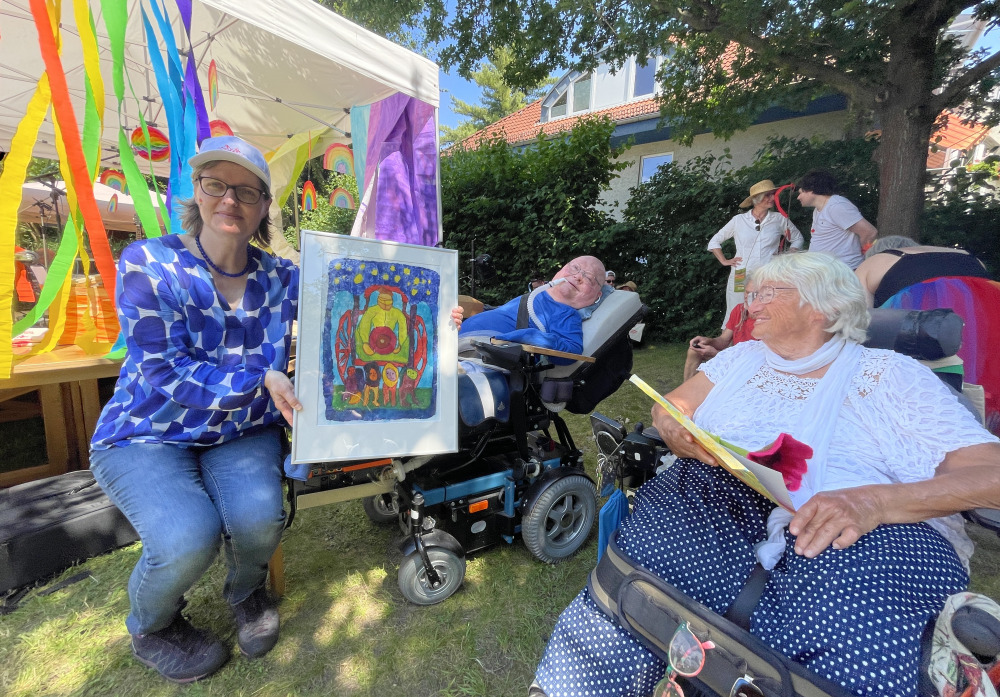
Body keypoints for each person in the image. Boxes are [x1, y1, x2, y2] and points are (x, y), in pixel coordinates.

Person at [533, 252, 1000, 697]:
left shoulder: (890, 374)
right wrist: (672, 425)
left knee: (849, 644)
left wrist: (873, 502)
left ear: (827, 304)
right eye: (749, 294)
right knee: (633, 594)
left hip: (863, 524)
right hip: (720, 497)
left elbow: (991, 474)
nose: (747, 305)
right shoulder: (740, 359)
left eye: (765, 293)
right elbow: (674, 405)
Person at [90, 136, 465, 683]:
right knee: (185, 537)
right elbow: (162, 373)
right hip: (148, 431)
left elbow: (359, 303)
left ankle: (246, 593)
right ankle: (152, 626)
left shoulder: (286, 278)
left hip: (242, 430)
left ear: (265, 205)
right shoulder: (149, 262)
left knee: (259, 520)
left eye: (246, 191)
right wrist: (260, 379)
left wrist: (433, 319)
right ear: (196, 192)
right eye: (215, 185)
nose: (229, 200)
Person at [854, 235, 998, 433]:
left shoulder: (874, 262)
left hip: (925, 317)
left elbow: (859, 322)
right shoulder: (971, 258)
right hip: (986, 318)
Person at [459, 256, 606, 356]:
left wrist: (533, 337)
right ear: (560, 270)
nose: (578, 276)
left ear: (596, 296)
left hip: (482, 354)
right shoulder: (534, 296)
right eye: (575, 268)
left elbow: (572, 349)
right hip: (455, 344)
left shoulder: (567, 314)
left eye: (589, 278)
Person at [708, 179, 803, 327]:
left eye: (773, 194)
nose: (773, 198)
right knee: (736, 307)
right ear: (756, 199)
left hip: (768, 273)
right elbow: (714, 242)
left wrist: (787, 255)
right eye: (768, 195)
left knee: (767, 307)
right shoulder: (739, 220)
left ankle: (763, 343)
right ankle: (730, 344)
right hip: (740, 272)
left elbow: (797, 239)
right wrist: (724, 260)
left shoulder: (779, 219)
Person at [796, 170, 877, 269]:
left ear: (811, 190)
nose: (798, 197)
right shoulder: (819, 209)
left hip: (844, 271)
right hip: (828, 271)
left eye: (801, 192)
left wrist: (860, 256)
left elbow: (869, 232)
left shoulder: (837, 206)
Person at [683, 285, 756, 381]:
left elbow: (753, 362)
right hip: (733, 358)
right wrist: (708, 341)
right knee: (694, 351)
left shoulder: (766, 318)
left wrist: (716, 354)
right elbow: (723, 340)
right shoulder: (739, 310)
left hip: (749, 366)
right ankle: (687, 392)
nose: (747, 296)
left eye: (752, 293)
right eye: (746, 292)